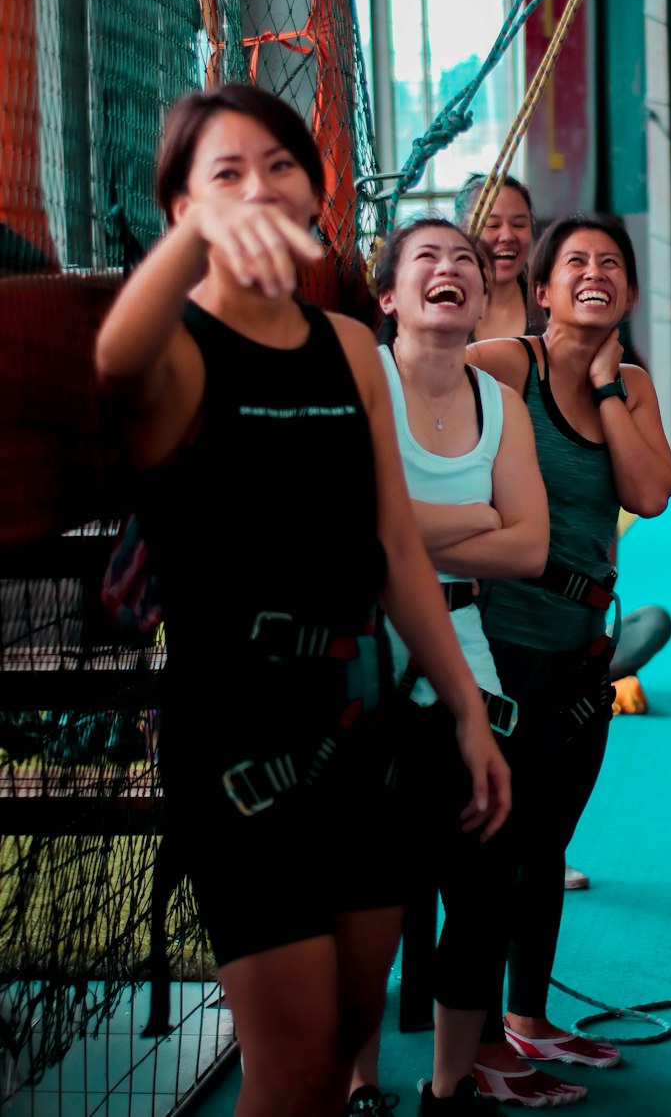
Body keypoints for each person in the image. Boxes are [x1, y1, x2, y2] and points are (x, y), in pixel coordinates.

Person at [94, 86, 509, 1117]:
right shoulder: (180, 352)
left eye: (278, 165)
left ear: (314, 192)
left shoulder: (347, 349)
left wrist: (462, 704)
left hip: (359, 738)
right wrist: (199, 249)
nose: (257, 187)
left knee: (341, 1038)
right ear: (178, 212)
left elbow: (395, 547)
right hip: (237, 755)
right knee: (283, 1070)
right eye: (223, 174)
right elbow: (114, 359)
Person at [467, 214, 671, 1105]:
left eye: (612, 264)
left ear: (628, 291)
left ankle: (527, 1016)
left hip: (583, 653)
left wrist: (600, 388)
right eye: (576, 263)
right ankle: (474, 1040)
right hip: (498, 649)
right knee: (494, 850)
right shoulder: (502, 366)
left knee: (548, 839)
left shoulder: (626, 380)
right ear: (544, 288)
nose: (596, 272)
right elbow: (418, 394)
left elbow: (651, 491)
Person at [348, 217, 548, 1117]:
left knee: (480, 882)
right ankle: (357, 1087)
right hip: (361, 660)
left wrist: (401, 530)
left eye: (466, 259)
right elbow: (347, 530)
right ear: (389, 295)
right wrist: (476, 525)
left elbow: (534, 547)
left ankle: (449, 1083)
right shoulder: (363, 382)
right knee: (367, 889)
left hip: (470, 664)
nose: (452, 268)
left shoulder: (498, 403)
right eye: (426, 257)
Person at [454, 173, 545, 340]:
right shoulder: (441, 305)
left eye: (519, 225)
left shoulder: (549, 306)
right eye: (493, 225)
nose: (507, 236)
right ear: (463, 231)